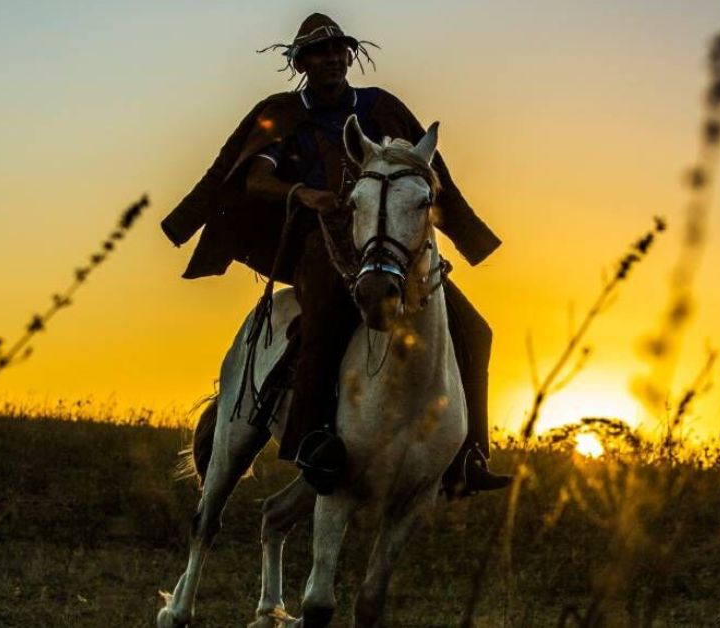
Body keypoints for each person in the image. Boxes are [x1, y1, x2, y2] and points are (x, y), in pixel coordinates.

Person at [161, 13, 509, 498]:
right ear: (301, 63)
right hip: (320, 247)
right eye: (320, 53)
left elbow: (425, 175)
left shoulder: (381, 108)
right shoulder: (282, 114)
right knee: (323, 320)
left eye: (339, 50)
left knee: (474, 329)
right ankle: (313, 438)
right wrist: (304, 192)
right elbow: (256, 179)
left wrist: (463, 234)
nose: (333, 59)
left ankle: (468, 455)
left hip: (388, 249)